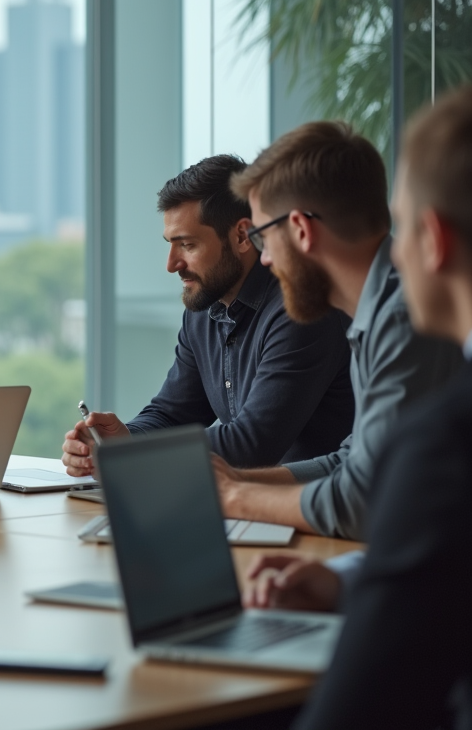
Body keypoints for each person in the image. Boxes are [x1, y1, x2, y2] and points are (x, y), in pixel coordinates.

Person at [244, 87, 472, 730]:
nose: (391, 253)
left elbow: (373, 495)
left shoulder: (447, 433)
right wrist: (343, 580)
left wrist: (232, 497)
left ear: (431, 238)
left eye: (400, 224)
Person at [209, 121, 461, 540]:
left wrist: (235, 497)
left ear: (302, 231)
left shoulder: (402, 318)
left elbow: (367, 500)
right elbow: (351, 461)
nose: (265, 260)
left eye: (261, 237)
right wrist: (236, 479)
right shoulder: (375, 310)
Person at [63, 155, 354, 475]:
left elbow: (253, 444)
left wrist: (132, 453)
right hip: (247, 508)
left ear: (242, 236)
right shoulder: (205, 309)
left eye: (187, 245)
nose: (171, 264)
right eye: (170, 245)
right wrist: (121, 439)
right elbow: (172, 413)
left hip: (316, 516)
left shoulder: (300, 310)